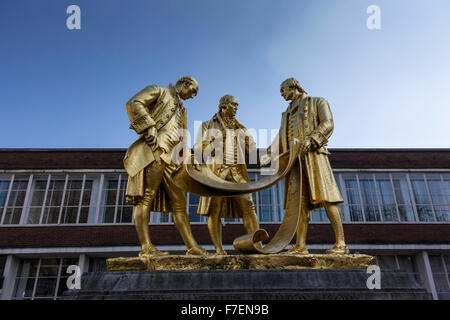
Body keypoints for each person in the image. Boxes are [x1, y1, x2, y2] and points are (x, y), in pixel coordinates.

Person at [261, 78, 349, 254]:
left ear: (294, 87)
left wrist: (312, 139)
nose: (282, 94)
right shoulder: (286, 114)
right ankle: (300, 246)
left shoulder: (317, 102)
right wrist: (270, 153)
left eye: (283, 90)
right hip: (294, 161)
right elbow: (281, 136)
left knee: (327, 197)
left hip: (314, 155)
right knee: (298, 204)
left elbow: (328, 123)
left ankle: (341, 243)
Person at [124, 76, 207, 257]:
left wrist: (189, 156)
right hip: (155, 150)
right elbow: (133, 103)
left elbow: (182, 137)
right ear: (184, 84)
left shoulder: (183, 110)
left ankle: (192, 247)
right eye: (193, 91)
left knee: (180, 203)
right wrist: (149, 126)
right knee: (146, 197)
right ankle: (146, 248)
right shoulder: (159, 90)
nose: (193, 96)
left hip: (173, 159)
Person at [194, 95, 260, 255]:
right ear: (224, 105)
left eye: (237, 105)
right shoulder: (207, 125)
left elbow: (251, 151)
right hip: (216, 173)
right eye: (234, 104)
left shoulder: (239, 127)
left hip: (237, 173)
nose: (237, 107)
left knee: (249, 206)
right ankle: (219, 249)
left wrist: (246, 136)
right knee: (214, 210)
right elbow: (198, 149)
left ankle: (257, 246)